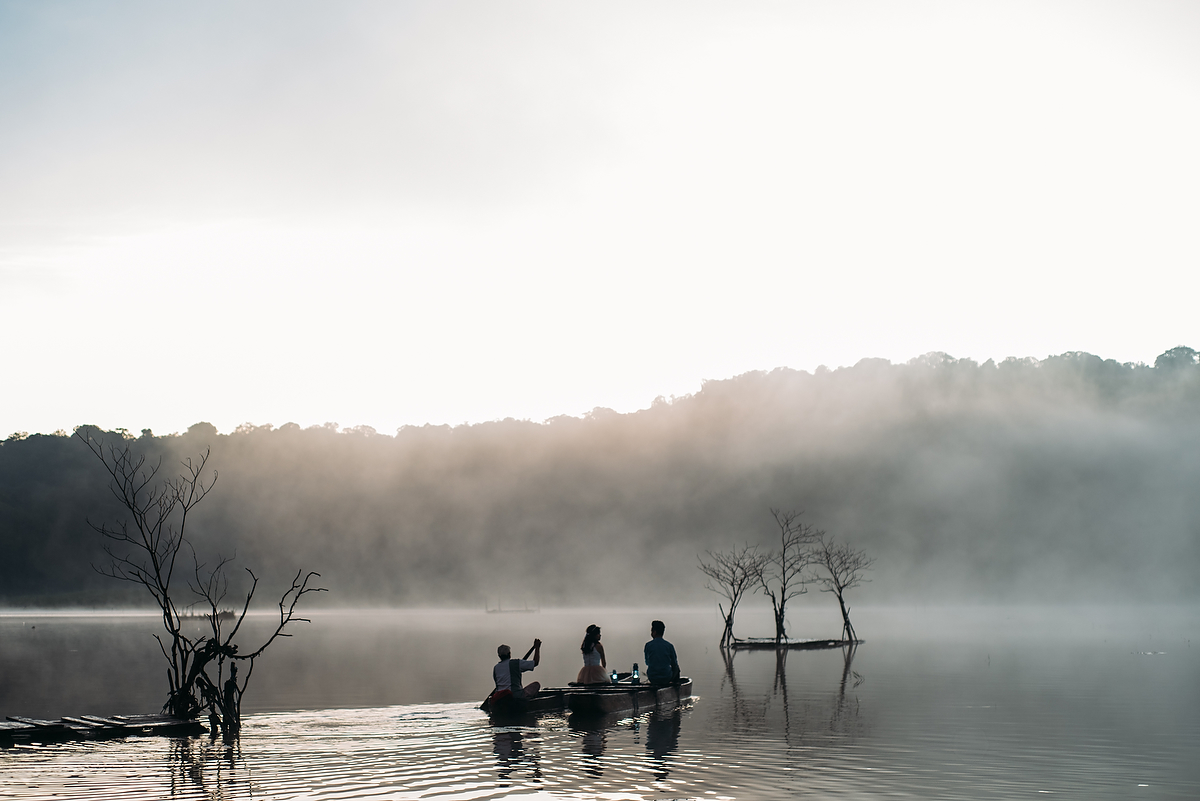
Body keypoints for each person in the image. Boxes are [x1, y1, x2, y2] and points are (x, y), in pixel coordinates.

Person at [492, 639, 542, 706]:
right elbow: (535, 662)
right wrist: (537, 648)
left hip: (499, 697)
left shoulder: (496, 668)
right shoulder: (516, 663)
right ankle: (528, 703)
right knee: (536, 684)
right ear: (509, 654)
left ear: (499, 656)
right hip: (515, 696)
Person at [643, 619, 680, 685]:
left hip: (652, 678)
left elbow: (647, 662)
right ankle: (675, 685)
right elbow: (674, 663)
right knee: (676, 668)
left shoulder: (648, 645)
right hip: (666, 677)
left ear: (654, 632)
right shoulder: (669, 646)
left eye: (651, 631)